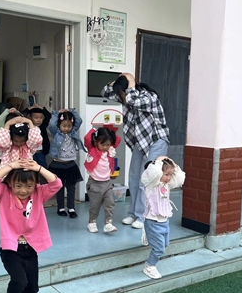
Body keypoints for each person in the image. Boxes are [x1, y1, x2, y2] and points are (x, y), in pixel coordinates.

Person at [0, 158, 62, 293]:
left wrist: (39, 168)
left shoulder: (39, 194)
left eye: (29, 186)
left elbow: (56, 184)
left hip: (30, 249)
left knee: (33, 290)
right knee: (19, 281)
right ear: (10, 183)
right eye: (18, 185)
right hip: (10, 250)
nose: (23, 190)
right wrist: (12, 166)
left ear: (35, 185)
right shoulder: (3, 194)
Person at [101, 73, 169, 229]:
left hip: (156, 140)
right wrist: (120, 79)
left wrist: (131, 83)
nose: (121, 97)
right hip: (141, 141)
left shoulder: (149, 97)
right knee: (134, 177)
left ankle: (143, 216)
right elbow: (104, 92)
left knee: (146, 180)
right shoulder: (127, 96)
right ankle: (133, 214)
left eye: (122, 93)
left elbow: (133, 100)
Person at [140, 156, 185, 279]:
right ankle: (150, 266)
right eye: (166, 174)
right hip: (152, 221)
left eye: (170, 174)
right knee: (159, 248)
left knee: (164, 244)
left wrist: (175, 166)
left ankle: (148, 234)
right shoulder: (150, 184)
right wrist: (159, 161)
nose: (169, 177)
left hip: (164, 221)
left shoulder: (166, 185)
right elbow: (153, 173)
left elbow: (180, 179)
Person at [48, 108, 85, 218]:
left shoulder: (73, 132)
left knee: (71, 188)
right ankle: (61, 208)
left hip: (70, 165)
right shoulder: (56, 133)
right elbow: (51, 124)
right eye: (64, 126)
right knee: (59, 188)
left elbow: (79, 120)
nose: (66, 128)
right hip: (57, 165)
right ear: (59, 125)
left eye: (69, 126)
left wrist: (71, 111)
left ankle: (71, 208)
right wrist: (57, 113)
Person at [83, 126, 121, 233]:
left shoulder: (110, 151)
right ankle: (92, 222)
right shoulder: (93, 150)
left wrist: (110, 129)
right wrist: (94, 129)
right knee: (95, 205)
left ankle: (108, 223)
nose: (105, 147)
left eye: (108, 145)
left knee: (110, 203)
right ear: (96, 142)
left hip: (107, 183)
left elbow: (117, 139)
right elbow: (86, 139)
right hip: (94, 183)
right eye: (102, 144)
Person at [27, 104, 52, 169]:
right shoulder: (27, 127)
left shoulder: (42, 127)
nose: (39, 120)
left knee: (42, 167)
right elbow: (21, 116)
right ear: (30, 118)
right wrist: (29, 109)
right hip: (29, 153)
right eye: (36, 118)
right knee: (30, 168)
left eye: (41, 118)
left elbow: (49, 116)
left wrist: (42, 108)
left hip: (40, 152)